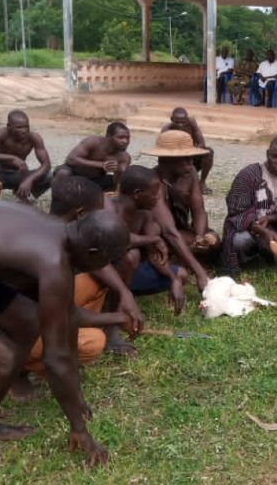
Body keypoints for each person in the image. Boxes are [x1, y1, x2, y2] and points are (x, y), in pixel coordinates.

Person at [0, 201, 129, 464]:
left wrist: (75, 392)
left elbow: (65, 320)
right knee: (0, 359)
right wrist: (79, 428)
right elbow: (56, 357)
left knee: (28, 320)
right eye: (107, 260)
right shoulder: (52, 260)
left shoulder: (60, 232)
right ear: (93, 253)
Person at [23, 176, 145, 374]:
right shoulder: (51, 257)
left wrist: (125, 293)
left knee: (97, 283)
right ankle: (19, 368)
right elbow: (66, 314)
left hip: (36, 310)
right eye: (97, 212)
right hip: (10, 326)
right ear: (81, 214)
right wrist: (117, 318)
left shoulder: (54, 228)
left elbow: (100, 268)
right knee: (92, 342)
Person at [107, 167, 188, 323]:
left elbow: (154, 254)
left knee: (181, 274)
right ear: (137, 193)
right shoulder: (109, 207)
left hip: (129, 273)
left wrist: (174, 279)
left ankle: (127, 292)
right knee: (132, 255)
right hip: (104, 273)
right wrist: (153, 239)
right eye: (154, 193)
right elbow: (117, 238)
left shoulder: (145, 215)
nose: (157, 199)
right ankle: (115, 304)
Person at [222, 136, 277, 274]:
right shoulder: (249, 175)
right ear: (267, 154)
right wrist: (262, 231)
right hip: (251, 228)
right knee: (239, 240)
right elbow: (236, 211)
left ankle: (269, 254)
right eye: (274, 156)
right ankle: (252, 256)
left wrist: (271, 218)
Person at [142, 131, 222, 261]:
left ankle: (184, 254)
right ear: (168, 160)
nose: (191, 164)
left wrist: (200, 237)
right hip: (162, 234)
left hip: (182, 232)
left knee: (213, 241)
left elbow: (199, 211)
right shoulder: (154, 181)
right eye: (186, 159)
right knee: (169, 243)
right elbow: (167, 230)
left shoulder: (191, 175)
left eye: (191, 159)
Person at [0, 110, 52, 201]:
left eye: (26, 127)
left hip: (16, 175)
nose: (24, 131)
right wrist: (12, 159)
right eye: (19, 127)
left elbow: (46, 165)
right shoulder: (1, 134)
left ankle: (23, 194)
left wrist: (29, 180)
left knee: (49, 176)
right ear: (9, 127)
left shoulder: (34, 138)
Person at [54, 121, 131, 191]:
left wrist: (118, 170)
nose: (125, 141)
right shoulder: (93, 142)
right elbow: (71, 159)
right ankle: (58, 202)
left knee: (121, 185)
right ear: (108, 136)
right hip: (74, 173)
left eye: (127, 138)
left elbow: (118, 181)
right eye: (120, 137)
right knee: (63, 173)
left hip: (95, 179)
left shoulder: (124, 157)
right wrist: (101, 164)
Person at [161, 107, 214, 193]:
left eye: (183, 121)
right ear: (171, 119)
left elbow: (201, 143)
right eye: (177, 122)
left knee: (209, 152)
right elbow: (163, 152)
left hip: (191, 156)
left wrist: (191, 150)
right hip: (176, 160)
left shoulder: (191, 123)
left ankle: (202, 182)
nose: (180, 125)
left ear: (187, 119)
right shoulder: (166, 130)